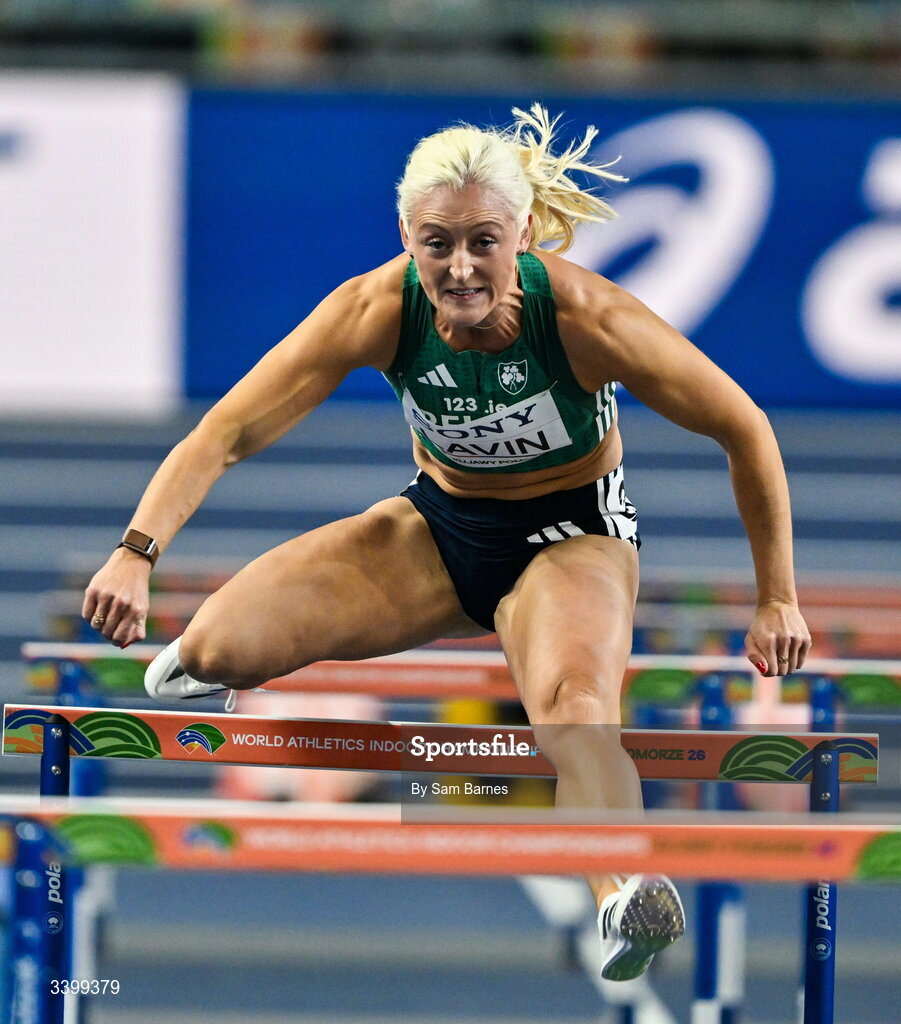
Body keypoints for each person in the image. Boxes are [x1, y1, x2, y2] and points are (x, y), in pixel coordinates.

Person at [82, 103, 812, 981]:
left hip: (569, 538)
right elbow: (225, 432)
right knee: (212, 646)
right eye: (437, 244)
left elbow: (746, 429)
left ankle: (624, 891)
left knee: (575, 705)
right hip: (435, 527)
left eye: (482, 243)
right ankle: (222, 659)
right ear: (406, 236)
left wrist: (776, 596)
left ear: (525, 235)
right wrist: (137, 549)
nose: (460, 269)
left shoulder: (586, 319)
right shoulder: (373, 309)